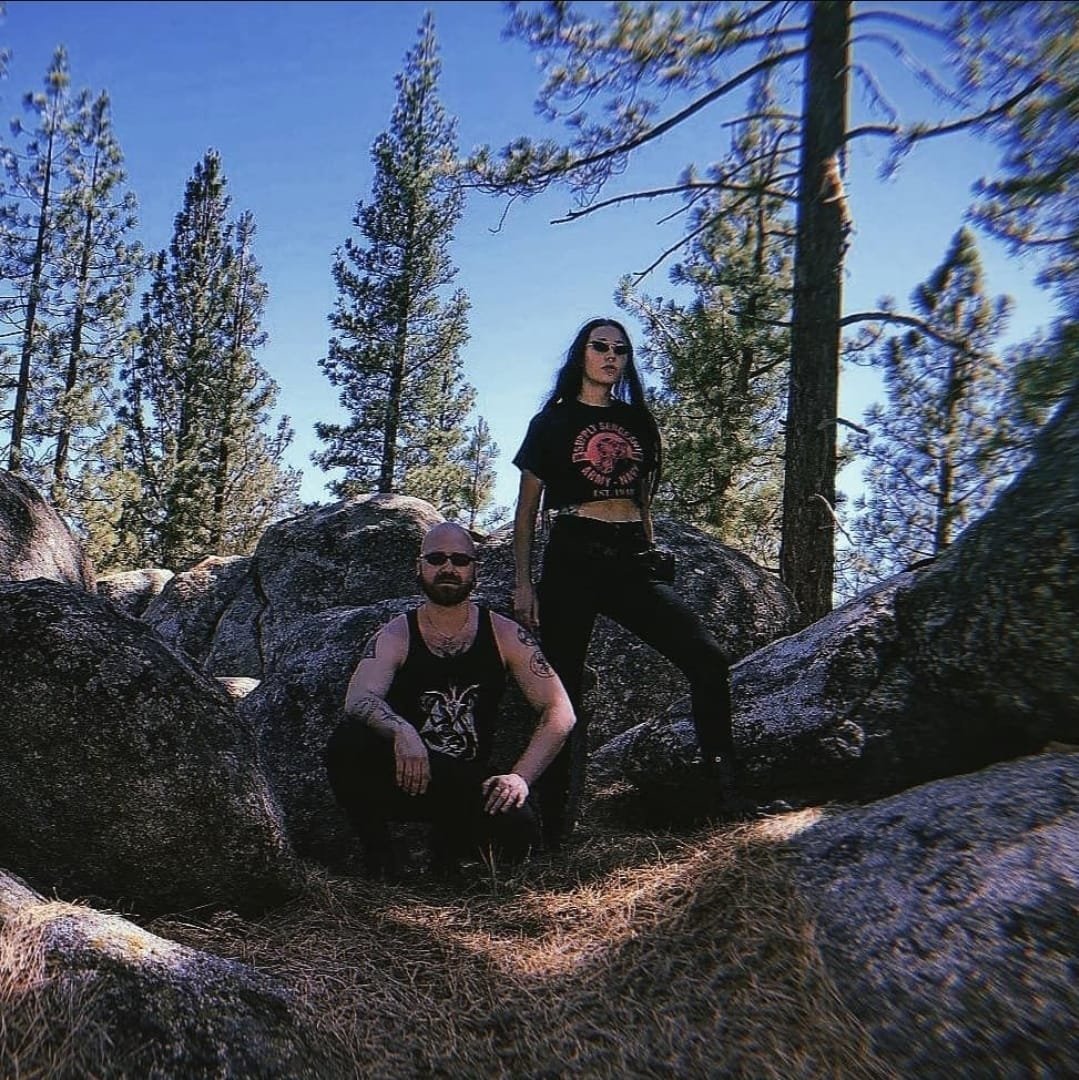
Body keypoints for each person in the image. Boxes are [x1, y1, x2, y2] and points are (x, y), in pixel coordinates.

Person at [512, 317, 737, 848]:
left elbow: (643, 499)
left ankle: (725, 796)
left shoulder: (637, 421)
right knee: (562, 693)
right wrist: (524, 583)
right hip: (573, 555)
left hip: (630, 557)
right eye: (600, 347)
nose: (611, 356)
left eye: (621, 349)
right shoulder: (551, 422)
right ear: (581, 354)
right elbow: (526, 513)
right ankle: (553, 832)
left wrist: (650, 547)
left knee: (707, 660)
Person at [326, 521, 575, 878]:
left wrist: (519, 778)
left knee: (518, 829)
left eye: (460, 560)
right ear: (419, 566)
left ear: (475, 570)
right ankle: (379, 858)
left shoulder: (505, 634)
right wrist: (401, 731)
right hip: (405, 774)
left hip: (463, 781)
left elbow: (559, 710)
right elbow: (359, 697)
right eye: (436, 558)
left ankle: (448, 853)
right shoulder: (396, 634)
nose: (448, 568)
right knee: (349, 742)